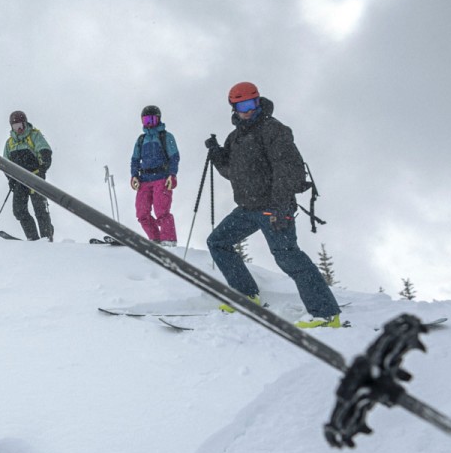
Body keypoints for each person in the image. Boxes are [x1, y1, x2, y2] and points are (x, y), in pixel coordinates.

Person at [204, 82, 341, 328]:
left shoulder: (274, 130)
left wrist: (279, 207)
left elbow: (286, 170)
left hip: (274, 207)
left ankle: (326, 314)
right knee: (218, 242)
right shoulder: (234, 138)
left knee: (288, 257)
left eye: (251, 104)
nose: (247, 110)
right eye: (241, 105)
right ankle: (246, 295)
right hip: (248, 208)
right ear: (233, 108)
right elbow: (234, 174)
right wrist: (217, 155)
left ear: (258, 102)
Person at [130, 105, 180, 246]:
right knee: (141, 213)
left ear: (158, 119)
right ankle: (155, 240)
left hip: (161, 178)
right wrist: (134, 175)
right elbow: (134, 159)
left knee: (162, 211)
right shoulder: (141, 140)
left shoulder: (166, 136)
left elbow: (174, 157)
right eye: (146, 120)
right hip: (144, 179)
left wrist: (172, 174)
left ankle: (168, 241)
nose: (149, 123)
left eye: (152, 119)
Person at [3, 110, 54, 241]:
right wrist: (10, 178)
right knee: (19, 210)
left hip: (34, 177)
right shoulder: (10, 143)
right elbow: (5, 162)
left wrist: (43, 167)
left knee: (40, 210)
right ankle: (32, 237)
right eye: (15, 126)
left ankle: (46, 236)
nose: (18, 129)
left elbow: (44, 150)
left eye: (20, 125)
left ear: (25, 124)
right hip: (19, 180)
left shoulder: (34, 135)